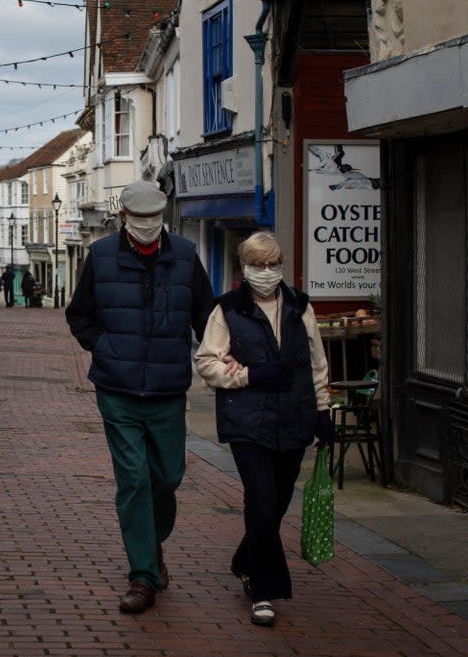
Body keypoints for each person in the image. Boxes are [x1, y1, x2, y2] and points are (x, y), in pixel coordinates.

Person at [65, 179, 214, 614]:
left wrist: (222, 358)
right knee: (133, 479)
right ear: (124, 217)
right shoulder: (101, 255)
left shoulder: (185, 257)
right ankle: (143, 575)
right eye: (139, 218)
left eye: (154, 218)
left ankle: (152, 544)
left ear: (163, 217)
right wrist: (105, 349)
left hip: (168, 389)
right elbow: (80, 316)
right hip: (118, 389)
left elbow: (207, 317)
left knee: (167, 477)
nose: (147, 225)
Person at [193, 231, 334, 627]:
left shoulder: (299, 307)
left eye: (273, 264)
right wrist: (250, 375)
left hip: (294, 417)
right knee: (262, 500)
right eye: (258, 265)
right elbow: (206, 361)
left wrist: (323, 410)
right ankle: (263, 589)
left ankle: (244, 560)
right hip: (247, 421)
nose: (267, 272)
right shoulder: (228, 310)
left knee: (279, 500)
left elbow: (317, 363)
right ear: (244, 268)